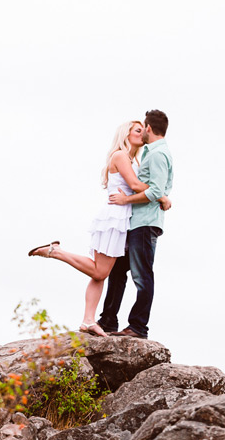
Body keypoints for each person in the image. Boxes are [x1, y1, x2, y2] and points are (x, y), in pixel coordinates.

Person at [26, 119, 169, 336]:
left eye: (143, 130)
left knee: (101, 274)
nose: (142, 134)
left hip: (124, 219)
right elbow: (135, 186)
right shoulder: (121, 155)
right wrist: (162, 196)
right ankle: (56, 251)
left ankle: (89, 320)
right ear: (126, 134)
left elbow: (137, 187)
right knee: (100, 270)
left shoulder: (133, 160)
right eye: (137, 131)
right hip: (116, 218)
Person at [97, 109, 173, 338]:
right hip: (133, 221)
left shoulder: (157, 154)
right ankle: (108, 320)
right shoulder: (143, 155)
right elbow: (150, 188)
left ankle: (139, 327)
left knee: (142, 275)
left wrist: (128, 199)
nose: (141, 133)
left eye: (142, 129)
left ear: (149, 129)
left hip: (145, 221)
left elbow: (155, 189)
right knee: (118, 272)